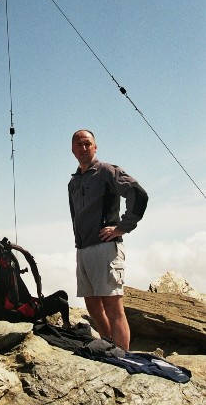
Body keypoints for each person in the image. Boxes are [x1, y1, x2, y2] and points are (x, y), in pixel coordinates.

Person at [68, 129, 148, 350]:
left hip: (105, 248)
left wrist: (123, 227)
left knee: (113, 307)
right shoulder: (73, 182)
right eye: (78, 144)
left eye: (87, 144)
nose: (83, 148)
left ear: (95, 147)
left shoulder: (107, 171)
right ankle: (109, 346)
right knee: (92, 306)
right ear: (72, 149)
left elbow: (138, 194)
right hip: (83, 250)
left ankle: (124, 357)